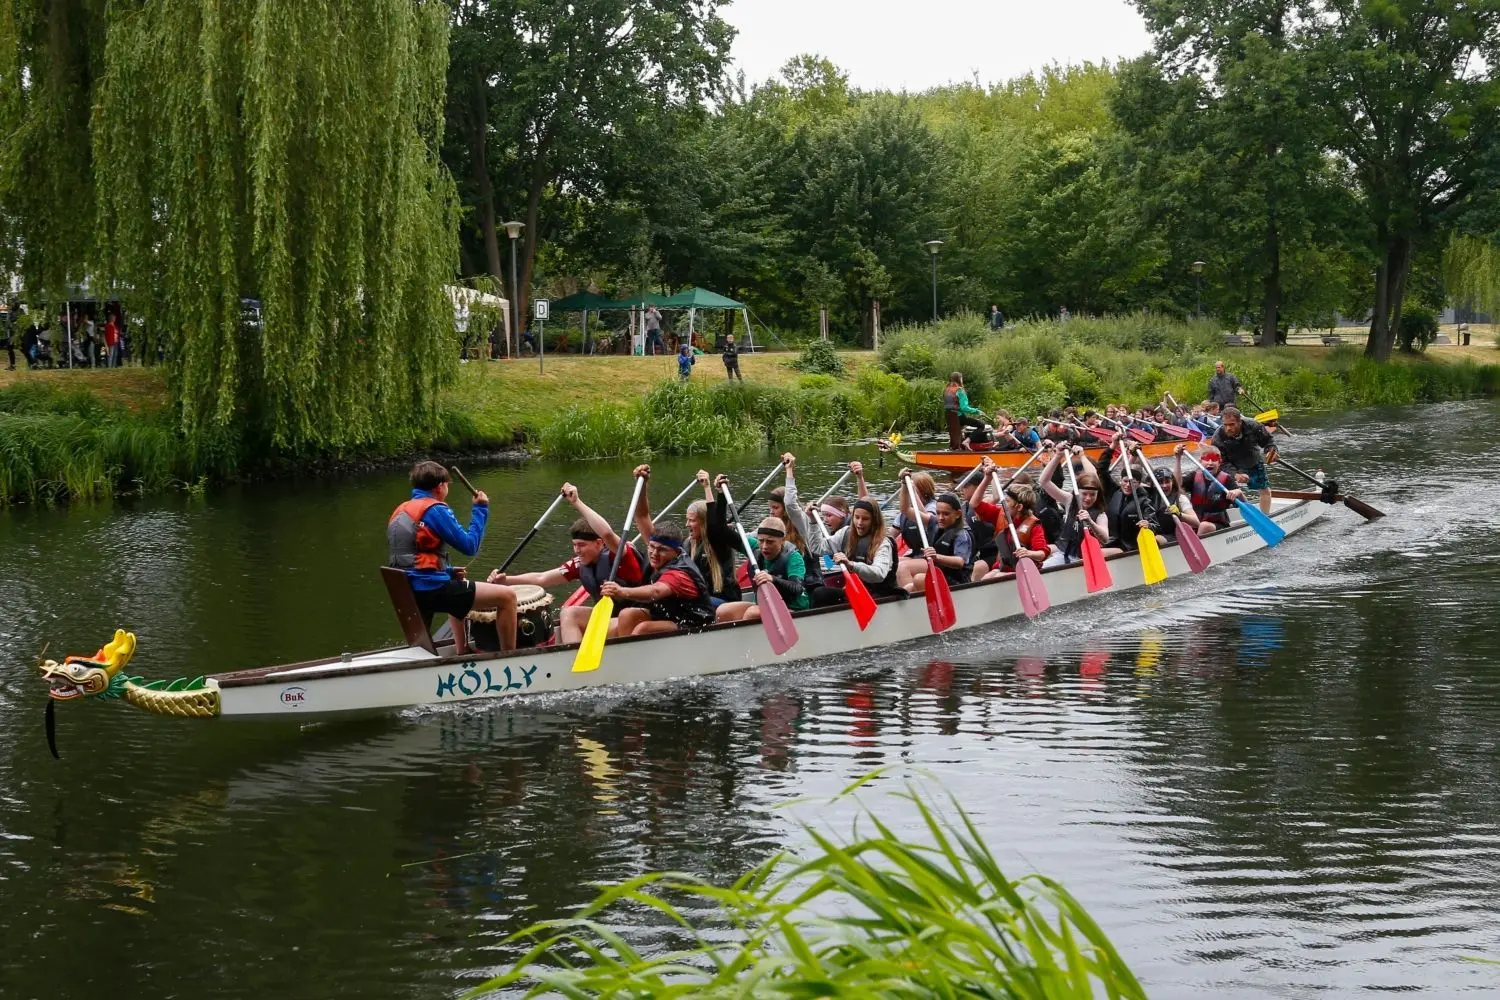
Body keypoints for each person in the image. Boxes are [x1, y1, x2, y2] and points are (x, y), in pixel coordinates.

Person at [488, 481, 649, 643]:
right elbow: (541, 578)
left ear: (599, 543)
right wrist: (506, 580)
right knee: (568, 613)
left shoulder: (620, 555)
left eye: (582, 545)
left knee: (612, 624)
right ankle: (571, 657)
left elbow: (607, 533)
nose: (577, 550)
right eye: (574, 545)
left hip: (636, 616)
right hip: (610, 617)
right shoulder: (579, 564)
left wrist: (576, 502)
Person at [388, 461, 517, 654]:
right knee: (507, 597)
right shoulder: (435, 509)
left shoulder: (401, 510)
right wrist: (480, 510)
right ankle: (510, 657)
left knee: (456, 585)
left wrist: (447, 571)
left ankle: (462, 652)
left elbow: (411, 556)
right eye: (447, 484)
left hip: (406, 588)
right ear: (440, 487)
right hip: (430, 589)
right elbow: (469, 546)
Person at [606, 520, 717, 636]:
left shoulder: (679, 574)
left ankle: (633, 652)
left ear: (676, 551)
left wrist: (621, 591)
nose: (654, 553)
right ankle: (626, 651)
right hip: (671, 616)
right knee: (627, 614)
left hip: (697, 624)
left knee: (644, 628)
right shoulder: (657, 559)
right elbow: (642, 516)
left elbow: (656, 591)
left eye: (662, 549)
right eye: (652, 547)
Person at [714, 516, 811, 622]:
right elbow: (721, 531)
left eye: (770, 542)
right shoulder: (753, 547)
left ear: (782, 540)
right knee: (722, 611)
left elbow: (797, 587)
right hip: (764, 605)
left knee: (752, 613)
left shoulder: (793, 557)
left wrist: (772, 579)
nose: (764, 546)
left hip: (794, 608)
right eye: (761, 541)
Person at [807, 496, 899, 606]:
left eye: (865, 519)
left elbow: (879, 574)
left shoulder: (883, 542)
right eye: (857, 517)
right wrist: (812, 521)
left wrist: (851, 564)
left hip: (881, 594)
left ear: (874, 520)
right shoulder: (846, 533)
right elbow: (817, 548)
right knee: (819, 593)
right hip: (857, 590)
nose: (859, 523)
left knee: (821, 594)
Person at [686, 470, 744, 607]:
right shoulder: (688, 544)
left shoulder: (718, 543)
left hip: (726, 602)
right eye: (687, 520)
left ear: (703, 523)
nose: (687, 524)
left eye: (692, 520)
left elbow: (715, 524)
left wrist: (711, 489)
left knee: (695, 603)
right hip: (705, 598)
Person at [1211, 405, 1276, 514]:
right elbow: (1221, 462)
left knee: (1264, 490)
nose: (1228, 428)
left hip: (1252, 459)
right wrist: (1235, 474)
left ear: (1240, 422)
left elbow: (1268, 441)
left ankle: (1265, 517)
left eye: (1232, 424)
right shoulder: (1218, 438)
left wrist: (1271, 451)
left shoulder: (1254, 426)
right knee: (1225, 491)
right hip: (1231, 463)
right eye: (1225, 425)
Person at [906, 492, 974, 594]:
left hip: (957, 583)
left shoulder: (961, 535)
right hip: (940, 576)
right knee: (907, 589)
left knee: (919, 579)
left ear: (957, 514)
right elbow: (905, 509)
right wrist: (904, 486)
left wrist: (936, 556)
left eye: (946, 514)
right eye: (938, 513)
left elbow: (960, 562)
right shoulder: (934, 523)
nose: (940, 517)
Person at [1174, 444, 1242, 534]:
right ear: (1200, 461)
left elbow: (1242, 503)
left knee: (1204, 526)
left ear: (1219, 462)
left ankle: (1195, 545)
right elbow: (1177, 485)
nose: (1210, 463)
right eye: (1206, 459)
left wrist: (1238, 492)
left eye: (1214, 459)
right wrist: (1178, 458)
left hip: (1218, 524)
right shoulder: (1194, 476)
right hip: (1196, 522)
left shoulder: (1227, 479)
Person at [942, 372, 987, 450]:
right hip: (959, 416)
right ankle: (967, 441)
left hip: (949, 416)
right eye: (961, 378)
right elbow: (964, 408)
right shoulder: (960, 391)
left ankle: (957, 447)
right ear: (959, 379)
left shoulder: (946, 389)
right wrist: (977, 411)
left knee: (956, 431)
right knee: (981, 425)